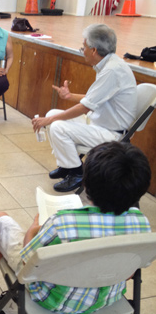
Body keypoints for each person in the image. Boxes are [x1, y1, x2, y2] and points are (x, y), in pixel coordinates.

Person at [0, 141, 151, 314]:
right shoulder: (141, 223)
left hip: (52, 301)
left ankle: (14, 303)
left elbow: (28, 264)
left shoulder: (62, 224)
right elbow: (130, 273)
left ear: (86, 186)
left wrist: (33, 228)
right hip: (106, 299)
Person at [32, 24, 137, 192]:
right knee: (53, 114)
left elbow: (84, 108)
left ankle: (77, 173)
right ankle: (67, 166)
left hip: (111, 134)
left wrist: (48, 120)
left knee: (57, 124)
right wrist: (69, 96)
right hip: (100, 123)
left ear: (94, 50)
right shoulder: (109, 65)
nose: (83, 50)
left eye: (84, 47)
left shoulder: (111, 71)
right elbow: (94, 99)